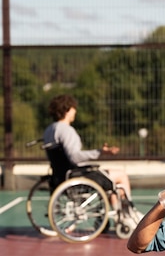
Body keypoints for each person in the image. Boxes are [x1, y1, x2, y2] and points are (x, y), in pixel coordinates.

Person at [43, 94, 142, 226]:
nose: (75, 111)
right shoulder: (66, 130)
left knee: (109, 179)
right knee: (120, 175)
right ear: (67, 109)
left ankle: (120, 215)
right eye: (73, 108)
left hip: (60, 176)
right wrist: (99, 152)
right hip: (76, 175)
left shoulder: (49, 130)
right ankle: (127, 214)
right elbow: (75, 157)